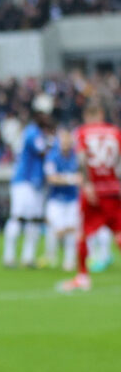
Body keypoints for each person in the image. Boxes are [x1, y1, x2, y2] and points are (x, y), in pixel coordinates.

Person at [57, 102, 121, 292]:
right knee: (119, 232)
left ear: (87, 115)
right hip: (114, 189)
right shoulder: (115, 132)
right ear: (101, 113)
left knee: (83, 233)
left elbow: (82, 159)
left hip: (94, 190)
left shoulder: (82, 132)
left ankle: (83, 276)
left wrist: (87, 183)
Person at [2, 111, 51, 268]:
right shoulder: (32, 132)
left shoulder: (39, 133)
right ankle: (9, 256)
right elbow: (43, 151)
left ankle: (28, 257)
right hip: (24, 181)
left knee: (34, 219)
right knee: (18, 217)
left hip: (36, 182)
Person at [42, 129, 81, 271]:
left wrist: (65, 179)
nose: (65, 143)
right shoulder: (52, 157)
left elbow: (82, 176)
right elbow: (51, 178)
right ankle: (50, 255)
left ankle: (69, 261)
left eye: (67, 140)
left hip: (72, 199)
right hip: (56, 200)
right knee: (58, 230)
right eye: (63, 140)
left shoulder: (76, 157)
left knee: (72, 230)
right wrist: (71, 179)